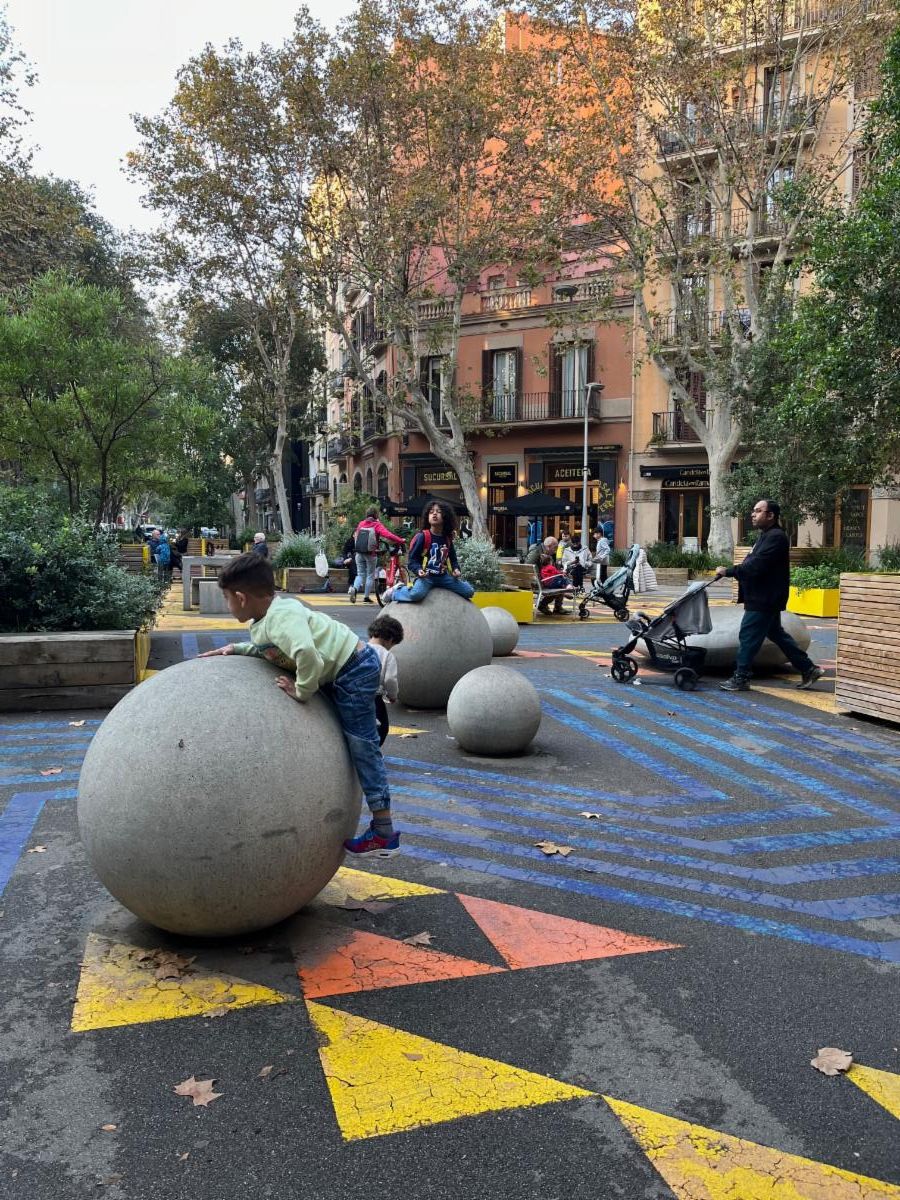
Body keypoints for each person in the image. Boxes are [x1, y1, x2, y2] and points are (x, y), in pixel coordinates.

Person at [198, 554, 400, 857]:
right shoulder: (269, 616)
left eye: (227, 599)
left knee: (362, 745)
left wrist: (302, 690)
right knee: (351, 730)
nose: (227, 606)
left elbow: (306, 653)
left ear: (241, 598)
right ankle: (363, 718)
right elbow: (276, 650)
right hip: (342, 669)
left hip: (354, 669)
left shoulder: (281, 619)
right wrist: (237, 648)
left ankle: (383, 831)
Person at [714, 498, 824, 692]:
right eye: (753, 511)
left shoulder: (776, 537)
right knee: (776, 634)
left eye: (758, 511)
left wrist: (729, 571)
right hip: (765, 596)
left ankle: (741, 677)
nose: (752, 514)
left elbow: (756, 565)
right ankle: (809, 668)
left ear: (771, 515)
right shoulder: (767, 536)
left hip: (764, 598)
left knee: (748, 635)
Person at [385, 501, 474, 603]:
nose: (434, 514)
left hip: (443, 577)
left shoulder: (447, 539)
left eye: (438, 512)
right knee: (416, 594)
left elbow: (453, 559)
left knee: (469, 591)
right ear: (428, 516)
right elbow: (412, 560)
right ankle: (396, 591)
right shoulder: (423, 536)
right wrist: (418, 570)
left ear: (445, 517)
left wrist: (456, 569)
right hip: (426, 578)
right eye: (431, 512)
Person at [350, 506, 404, 604]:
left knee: (360, 574)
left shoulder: (361, 523)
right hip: (371, 554)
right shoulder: (376, 525)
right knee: (370, 575)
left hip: (359, 553)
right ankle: (366, 597)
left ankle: (355, 588)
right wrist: (400, 540)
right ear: (376, 515)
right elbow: (388, 535)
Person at [367, 613, 403, 745]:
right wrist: (393, 695)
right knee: (382, 728)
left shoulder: (361, 648)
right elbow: (390, 680)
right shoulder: (387, 655)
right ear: (390, 639)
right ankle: (374, 752)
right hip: (375, 698)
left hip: (356, 693)